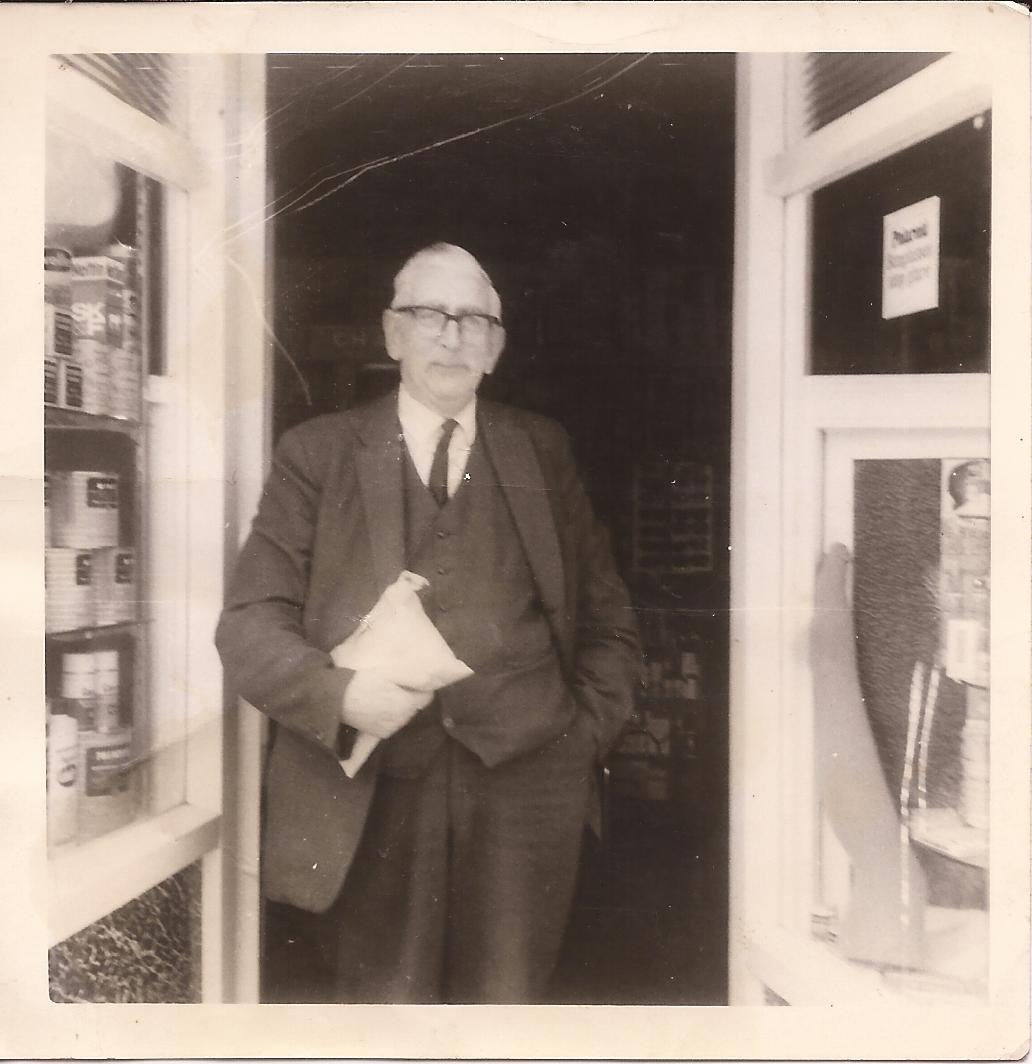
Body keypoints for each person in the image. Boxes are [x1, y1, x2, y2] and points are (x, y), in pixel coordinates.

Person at [216, 242, 640, 1004]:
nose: (452, 336)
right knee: (383, 1022)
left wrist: (580, 740)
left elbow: (610, 621)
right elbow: (248, 625)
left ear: (496, 347)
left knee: (504, 1022)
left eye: (474, 321)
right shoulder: (317, 455)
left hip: (525, 795)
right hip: (374, 799)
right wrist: (342, 696)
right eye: (430, 316)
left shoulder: (543, 451)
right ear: (393, 334)